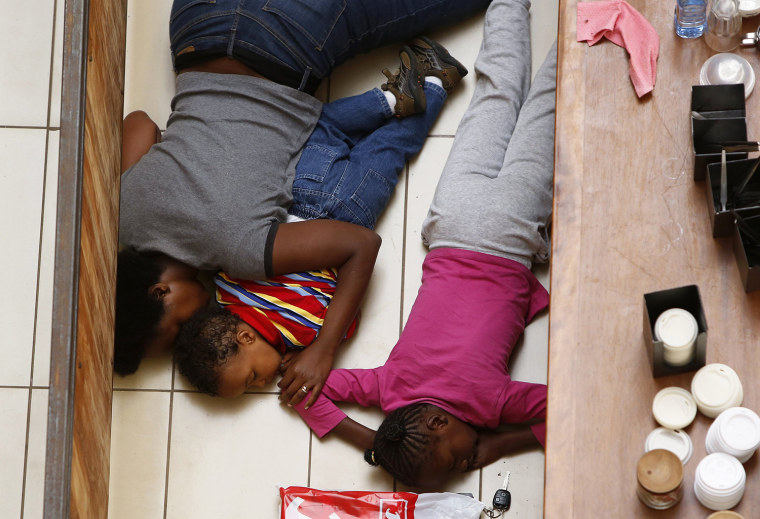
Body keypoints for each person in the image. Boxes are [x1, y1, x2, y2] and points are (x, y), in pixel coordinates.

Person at [115, 0, 491, 405]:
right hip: (195, 26)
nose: (188, 333)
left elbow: (360, 245)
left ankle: (427, 84)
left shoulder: (236, 251)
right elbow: (139, 122)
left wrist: (324, 348)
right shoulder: (123, 217)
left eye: (175, 330)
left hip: (284, 39)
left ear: (160, 293)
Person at [291, 0, 557, 489]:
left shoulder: (490, 405)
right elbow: (305, 393)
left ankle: (594, 25)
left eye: (454, 462)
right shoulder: (386, 390)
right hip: (450, 223)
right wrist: (373, 442)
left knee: (548, 108)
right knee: (494, 98)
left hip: (509, 232)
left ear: (438, 425)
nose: (466, 465)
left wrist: (504, 442)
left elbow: (568, 406)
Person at [172, 40, 466, 400]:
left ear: (246, 338)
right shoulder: (225, 294)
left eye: (251, 377)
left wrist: (317, 348)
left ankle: (436, 82)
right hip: (295, 193)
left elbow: (348, 313)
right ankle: (390, 99)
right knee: (325, 127)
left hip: (349, 214)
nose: (262, 383)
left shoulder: (304, 331)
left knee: (389, 148)